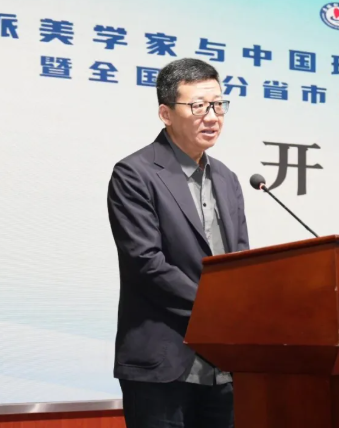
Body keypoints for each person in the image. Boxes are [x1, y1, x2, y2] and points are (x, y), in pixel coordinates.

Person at [106, 58, 249, 428]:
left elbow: (241, 263)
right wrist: (216, 309)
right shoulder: (134, 174)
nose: (212, 116)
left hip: (224, 366)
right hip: (162, 363)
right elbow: (146, 263)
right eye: (198, 106)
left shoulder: (227, 179)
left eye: (218, 104)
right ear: (166, 114)